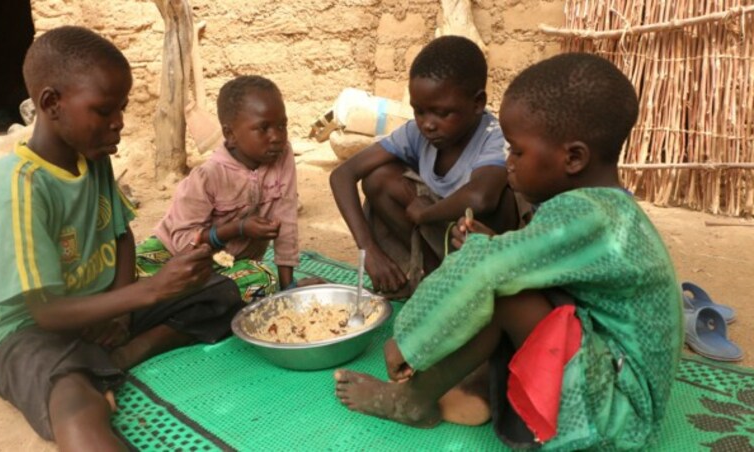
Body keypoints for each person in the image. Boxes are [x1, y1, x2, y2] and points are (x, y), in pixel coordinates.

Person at [334, 53, 683, 450]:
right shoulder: (605, 208)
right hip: (623, 392)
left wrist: (409, 341)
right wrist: (495, 246)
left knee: (504, 290)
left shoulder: (587, 213)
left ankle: (411, 400)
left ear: (573, 158)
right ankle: (480, 389)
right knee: (509, 278)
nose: (508, 162)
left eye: (517, 151)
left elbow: (490, 271)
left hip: (619, 419)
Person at [0, 26, 244, 451]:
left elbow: (121, 236)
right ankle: (89, 375)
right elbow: (46, 313)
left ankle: (120, 356)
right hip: (22, 329)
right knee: (72, 398)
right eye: (104, 110)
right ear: (51, 104)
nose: (119, 124)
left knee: (218, 293)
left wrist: (121, 312)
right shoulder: (18, 187)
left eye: (122, 109)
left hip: (99, 305)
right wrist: (148, 292)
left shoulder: (91, 159)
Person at [329, 35, 522, 299]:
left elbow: (481, 197)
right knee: (378, 178)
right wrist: (369, 251)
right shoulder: (417, 134)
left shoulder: (494, 135)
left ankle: (476, 293)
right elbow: (343, 174)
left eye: (442, 113)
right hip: (441, 241)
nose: (428, 124)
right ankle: (434, 283)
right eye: (419, 111)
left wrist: (427, 213)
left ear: (477, 103)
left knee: (500, 201)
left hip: (483, 249)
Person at [137, 75, 314, 301]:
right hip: (174, 255)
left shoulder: (282, 155)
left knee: (263, 280)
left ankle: (179, 305)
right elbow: (183, 243)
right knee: (128, 273)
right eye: (264, 128)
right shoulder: (207, 176)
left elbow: (286, 221)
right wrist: (237, 229)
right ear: (230, 135)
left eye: (282, 125)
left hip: (229, 267)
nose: (277, 137)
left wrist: (288, 287)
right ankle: (184, 303)